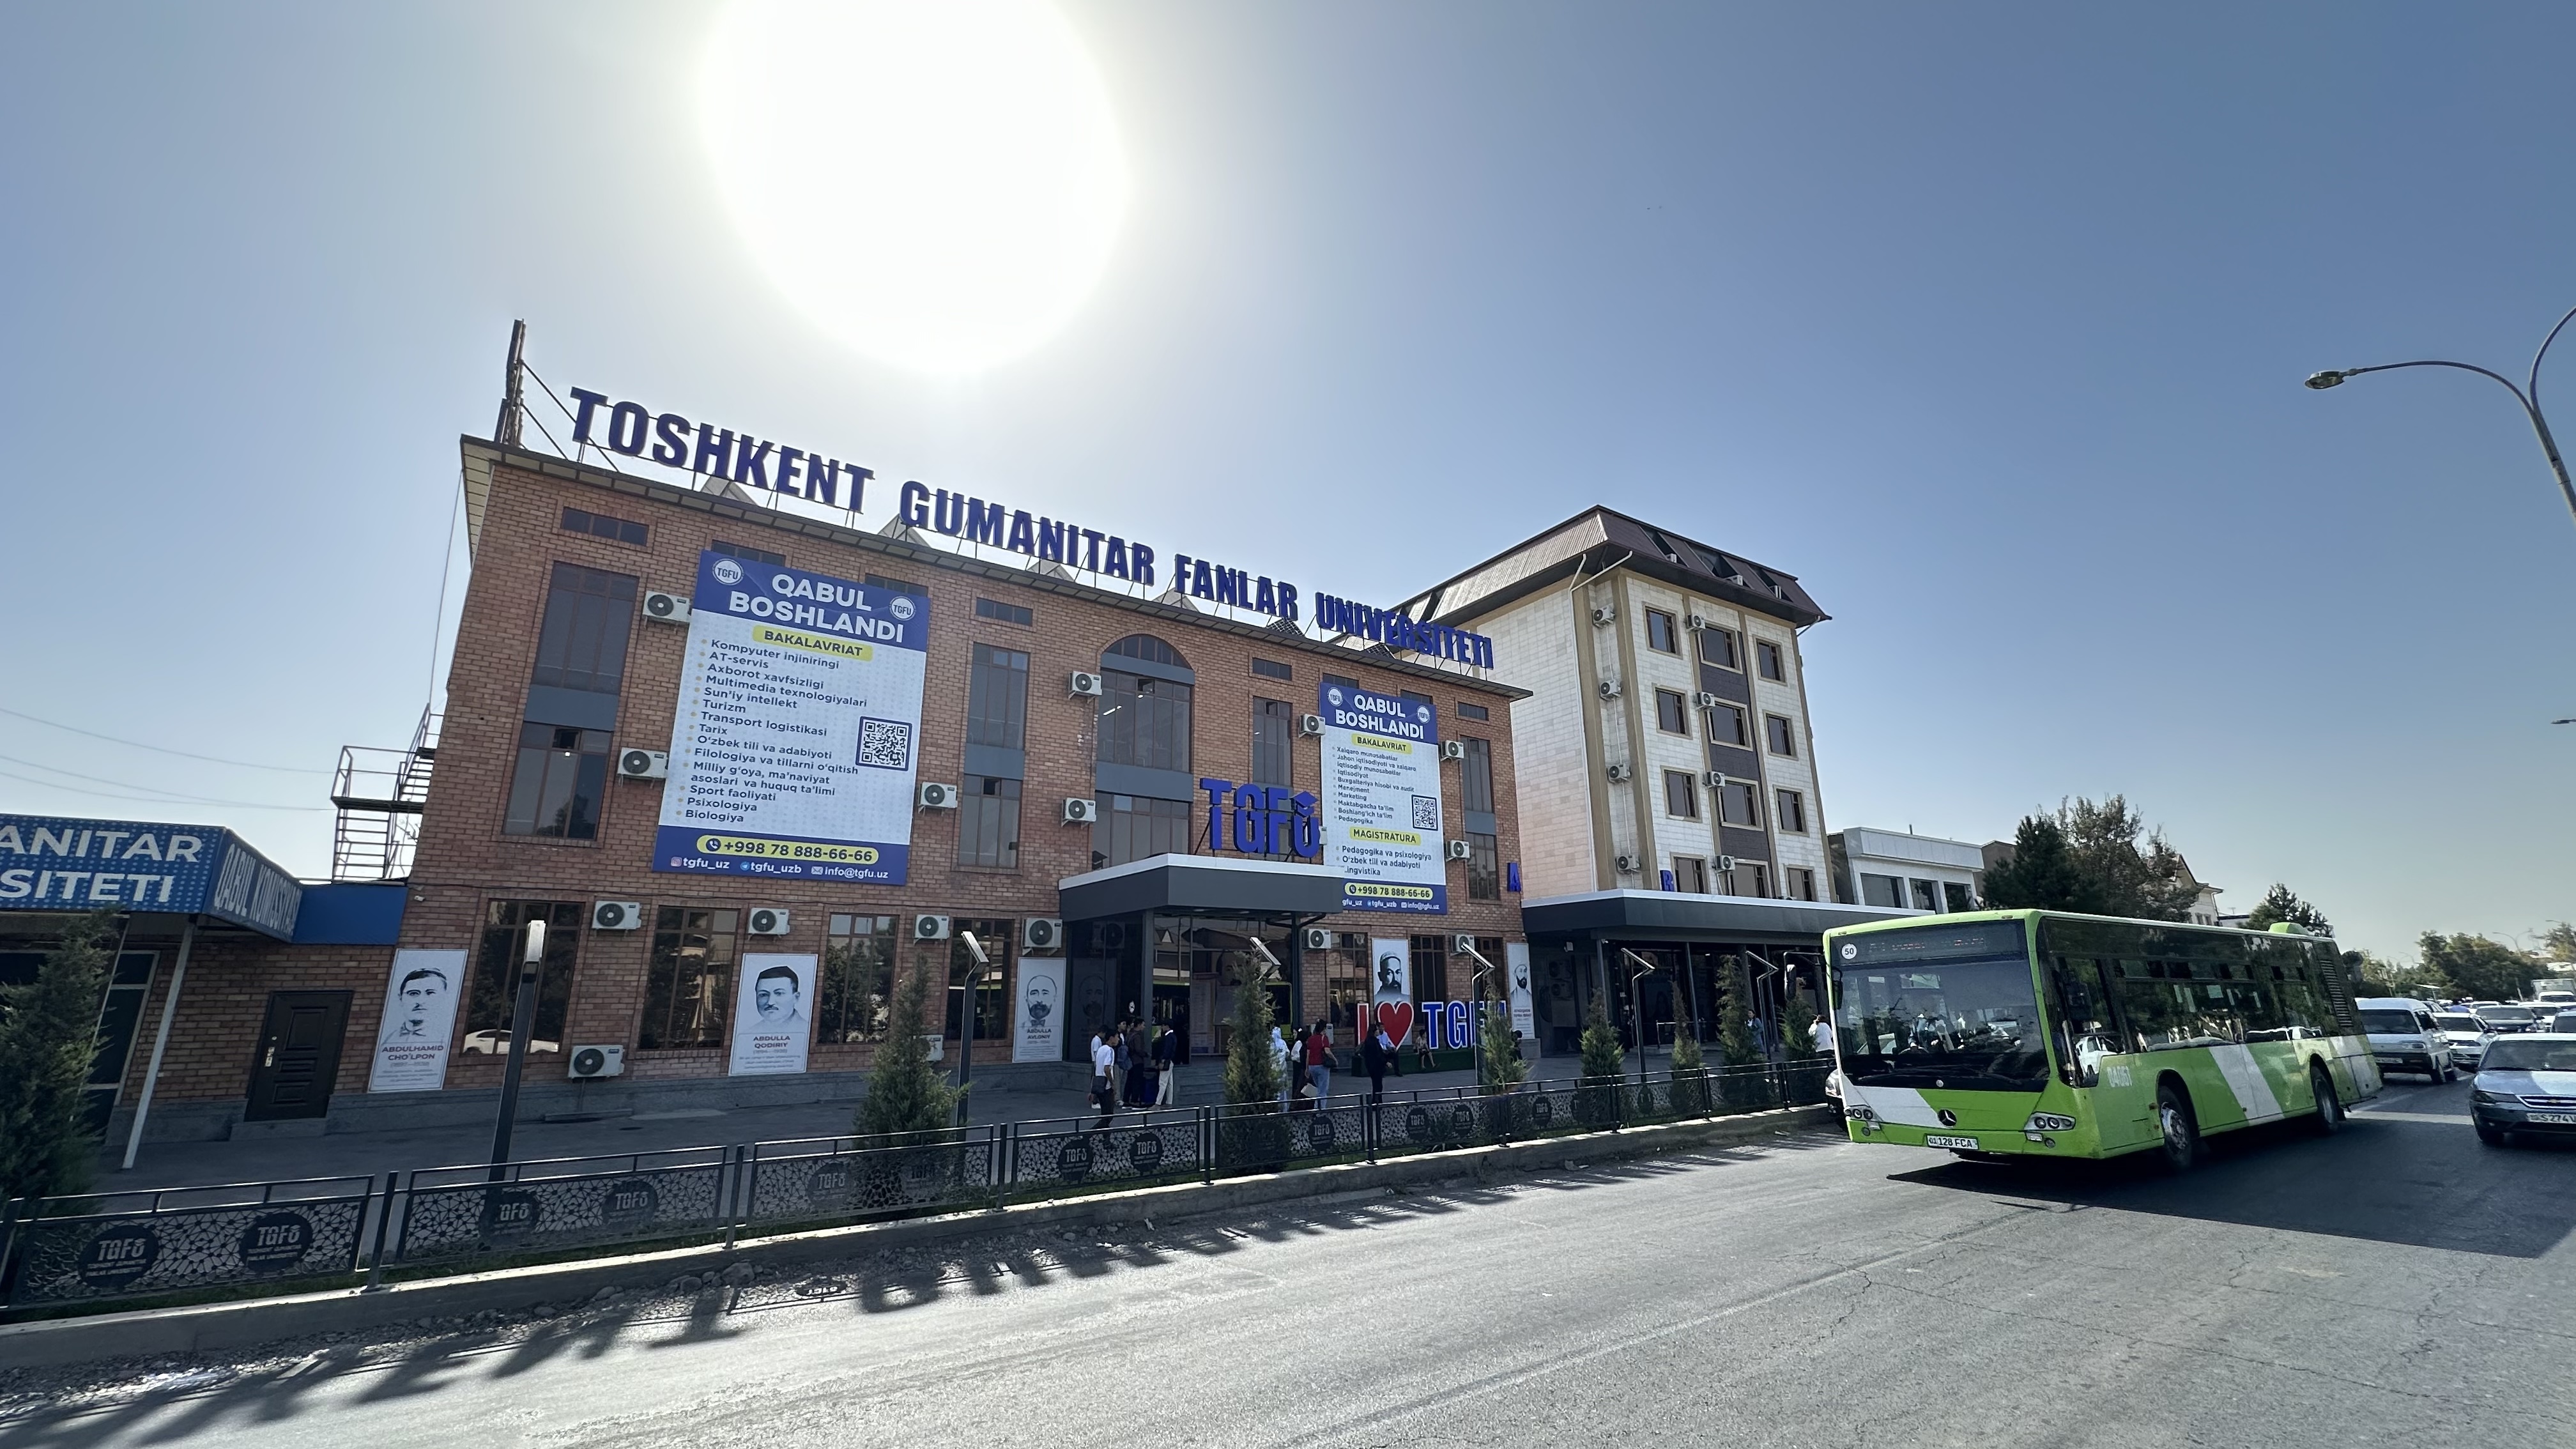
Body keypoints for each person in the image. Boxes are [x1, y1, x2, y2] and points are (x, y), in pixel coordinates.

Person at [1089, 1025, 1118, 1128]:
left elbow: (1096, 1068)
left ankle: (1106, 1137)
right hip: (1106, 1086)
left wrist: (1092, 1090)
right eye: (1117, 1037)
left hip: (1099, 1084)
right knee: (1108, 1116)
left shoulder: (1100, 1050)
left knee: (1105, 1115)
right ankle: (1089, 1134)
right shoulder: (1110, 1051)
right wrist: (1113, 1084)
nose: (1118, 1040)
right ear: (1111, 1038)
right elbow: (1107, 1069)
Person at [1124, 1018, 1155, 1108]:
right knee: (1137, 1081)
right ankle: (1135, 1101)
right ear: (1139, 1025)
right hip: (1137, 1061)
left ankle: (1126, 1100)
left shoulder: (1130, 1034)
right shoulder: (1137, 1036)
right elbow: (1138, 1049)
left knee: (1129, 1081)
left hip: (1131, 1061)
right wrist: (1146, 1054)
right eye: (1143, 1025)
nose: (1144, 1027)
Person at [1361, 1021, 1392, 1105]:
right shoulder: (1374, 1042)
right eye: (1377, 1029)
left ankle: (1377, 1102)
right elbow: (1378, 1055)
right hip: (1376, 1066)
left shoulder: (1368, 1040)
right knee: (1378, 1085)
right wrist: (1386, 1062)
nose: (1379, 1031)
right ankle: (1377, 1102)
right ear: (1374, 1031)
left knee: (1376, 1085)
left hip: (1371, 1066)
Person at [1307, 1022, 1335, 1106]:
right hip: (1321, 1065)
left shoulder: (1311, 1039)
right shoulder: (1324, 1038)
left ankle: (1317, 1106)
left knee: (1318, 1088)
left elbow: (1308, 1054)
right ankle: (1320, 1109)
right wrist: (1334, 1059)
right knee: (1323, 1090)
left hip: (1312, 1066)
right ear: (1324, 1029)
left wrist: (1307, 1068)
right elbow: (1327, 1051)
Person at [1152, 1022, 1179, 1105]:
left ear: (1167, 1026)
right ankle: (1169, 1102)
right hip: (1171, 1061)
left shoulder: (1168, 1037)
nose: (1162, 1027)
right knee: (1170, 1083)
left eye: (1163, 1026)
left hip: (1166, 1061)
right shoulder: (1173, 1036)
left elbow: (1166, 1050)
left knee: (1162, 1082)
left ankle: (1158, 1103)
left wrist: (1162, 1060)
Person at [1269, 1025, 1291, 1107]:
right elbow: (1288, 1053)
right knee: (1283, 1089)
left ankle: (1276, 1106)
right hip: (1283, 1068)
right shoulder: (1283, 1043)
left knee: (1275, 1088)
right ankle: (1284, 1107)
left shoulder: (1270, 1044)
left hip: (1273, 1068)